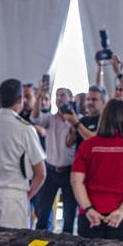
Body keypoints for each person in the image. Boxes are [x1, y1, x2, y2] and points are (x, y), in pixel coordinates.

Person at [71, 98, 123, 242]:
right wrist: (121, 211)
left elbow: (76, 182)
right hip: (122, 217)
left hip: (90, 217)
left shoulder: (87, 146)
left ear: (103, 118)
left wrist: (88, 209)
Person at [0, 79, 45, 229]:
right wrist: (28, 195)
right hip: (12, 194)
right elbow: (41, 172)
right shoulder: (25, 129)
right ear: (20, 99)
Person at [33, 87, 78, 232]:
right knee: (43, 211)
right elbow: (35, 117)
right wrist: (39, 96)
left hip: (69, 171)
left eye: (62, 95)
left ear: (70, 99)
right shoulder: (49, 118)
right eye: (57, 95)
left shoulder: (78, 120)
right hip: (51, 170)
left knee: (69, 214)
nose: (59, 98)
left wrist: (75, 124)